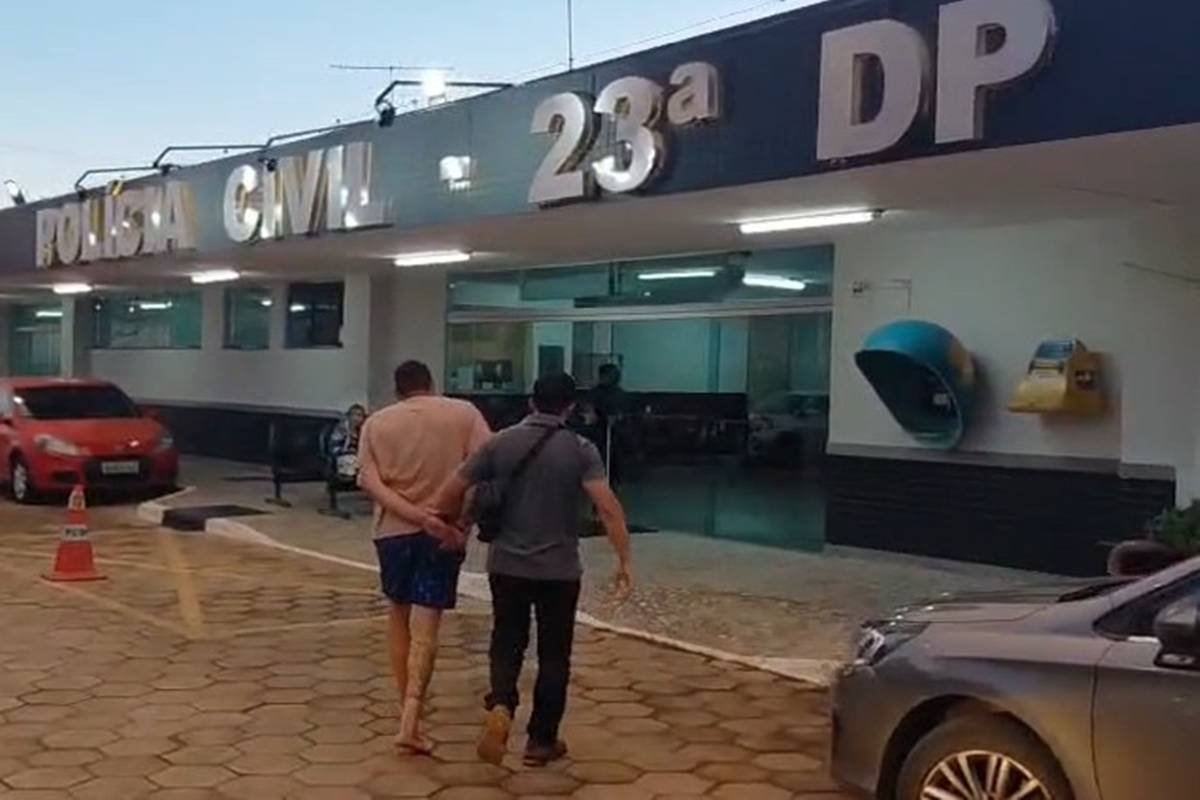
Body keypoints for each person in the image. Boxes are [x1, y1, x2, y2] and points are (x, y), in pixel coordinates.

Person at [435, 372, 634, 768]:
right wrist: (624, 561)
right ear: (570, 407)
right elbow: (607, 507)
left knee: (507, 639)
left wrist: (450, 528)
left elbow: (450, 491)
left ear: (531, 402)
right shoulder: (581, 449)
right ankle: (541, 742)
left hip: (506, 566)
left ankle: (502, 703)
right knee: (554, 653)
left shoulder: (499, 443)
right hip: (559, 570)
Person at [357, 361, 491, 754]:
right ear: (431, 383)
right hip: (445, 534)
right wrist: (458, 523)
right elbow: (485, 468)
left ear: (398, 390)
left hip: (392, 534)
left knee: (398, 615)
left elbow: (370, 482)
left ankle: (407, 710)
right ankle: (412, 717)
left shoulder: (377, 424)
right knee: (427, 625)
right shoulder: (464, 413)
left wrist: (416, 517)